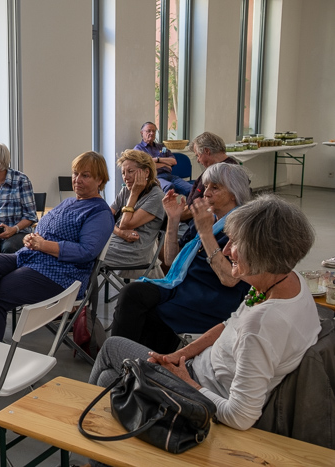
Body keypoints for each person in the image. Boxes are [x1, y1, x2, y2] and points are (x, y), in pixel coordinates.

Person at [90, 194, 319, 435]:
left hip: (198, 396)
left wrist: (186, 382)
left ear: (262, 253)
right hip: (195, 371)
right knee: (110, 380)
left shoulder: (261, 325)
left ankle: (78, 437)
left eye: (235, 243)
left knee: (112, 350)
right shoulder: (286, 280)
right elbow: (228, 325)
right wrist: (177, 355)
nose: (226, 250)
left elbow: (240, 416)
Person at [0, 151, 114, 355]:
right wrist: (32, 238)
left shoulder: (99, 212)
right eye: (75, 173)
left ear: (100, 180)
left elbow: (86, 251)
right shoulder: (69, 202)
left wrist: (43, 245)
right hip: (32, 259)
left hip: (60, 275)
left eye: (85, 175)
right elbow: (45, 230)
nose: (77, 179)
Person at [110, 163, 252, 353]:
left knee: (151, 314)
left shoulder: (243, 227)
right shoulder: (209, 219)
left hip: (211, 298)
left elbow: (229, 279)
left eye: (215, 188)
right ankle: (119, 356)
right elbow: (170, 260)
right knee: (132, 293)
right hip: (182, 286)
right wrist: (173, 218)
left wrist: (205, 233)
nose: (206, 193)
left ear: (234, 193)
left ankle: (136, 361)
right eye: (206, 187)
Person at [102, 149, 165, 278]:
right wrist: (120, 233)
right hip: (115, 243)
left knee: (87, 254)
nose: (126, 177)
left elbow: (125, 224)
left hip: (134, 252)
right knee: (84, 251)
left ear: (146, 172)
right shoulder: (126, 190)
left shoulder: (156, 196)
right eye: (123, 173)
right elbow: (104, 218)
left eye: (130, 171)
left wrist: (134, 194)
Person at [182, 131, 239, 221]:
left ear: (207, 151)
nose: (198, 160)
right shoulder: (214, 168)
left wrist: (173, 217)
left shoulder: (225, 172)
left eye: (198, 155)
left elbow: (198, 208)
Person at [134, 122, 192, 196]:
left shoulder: (161, 146)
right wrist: (165, 164)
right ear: (142, 133)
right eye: (148, 131)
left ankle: (191, 204)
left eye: (154, 131)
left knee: (191, 189)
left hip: (170, 176)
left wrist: (156, 160)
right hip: (154, 178)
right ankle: (169, 204)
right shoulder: (139, 149)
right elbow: (145, 166)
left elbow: (173, 161)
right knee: (169, 187)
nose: (152, 133)